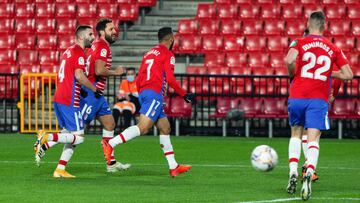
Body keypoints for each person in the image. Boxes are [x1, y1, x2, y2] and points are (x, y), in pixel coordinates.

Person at [102, 27, 196, 177]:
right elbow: (170, 79)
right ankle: (111, 144)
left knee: (165, 128)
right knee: (144, 127)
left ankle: (173, 166)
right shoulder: (168, 54)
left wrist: (142, 93)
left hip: (146, 91)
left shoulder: (149, 53)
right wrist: (184, 94)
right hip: (154, 93)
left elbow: (139, 77)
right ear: (171, 39)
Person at [285, 11, 353, 200]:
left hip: (297, 94)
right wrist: (331, 73)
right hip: (318, 98)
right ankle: (309, 171)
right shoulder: (333, 48)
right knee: (313, 139)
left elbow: (289, 60)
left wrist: (293, 74)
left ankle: (292, 172)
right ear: (325, 25)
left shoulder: (298, 42)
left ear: (308, 23)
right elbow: (348, 75)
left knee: (296, 134)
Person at [33, 25, 98, 178]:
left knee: (69, 134)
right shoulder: (79, 52)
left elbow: (68, 73)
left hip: (60, 97)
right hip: (70, 100)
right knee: (79, 138)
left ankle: (60, 169)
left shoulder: (68, 51)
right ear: (81, 37)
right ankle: (47, 137)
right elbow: (79, 76)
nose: (93, 37)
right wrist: (93, 89)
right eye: (90, 34)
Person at [80, 18, 130, 172]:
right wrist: (117, 72)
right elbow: (99, 71)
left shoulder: (93, 46)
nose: (115, 32)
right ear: (102, 32)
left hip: (96, 94)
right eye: (111, 29)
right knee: (78, 132)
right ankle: (47, 140)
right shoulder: (102, 46)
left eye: (114, 29)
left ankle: (111, 163)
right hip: (91, 92)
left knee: (110, 124)